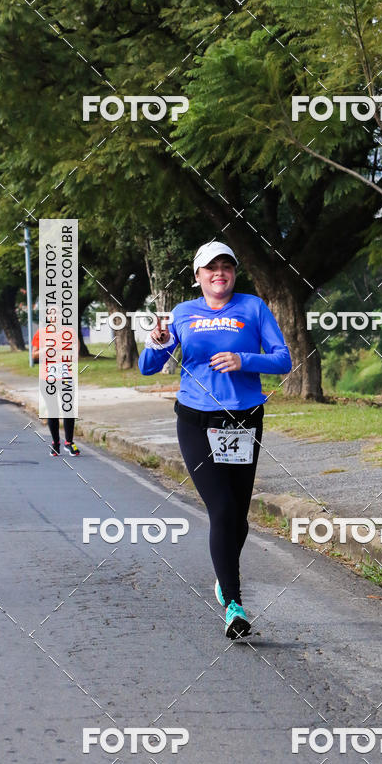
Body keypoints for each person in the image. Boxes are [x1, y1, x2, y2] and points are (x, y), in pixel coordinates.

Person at [138, 241, 292, 639]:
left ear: (234, 273)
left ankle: (223, 579)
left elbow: (283, 359)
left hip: (244, 420)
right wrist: (157, 341)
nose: (219, 273)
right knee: (221, 508)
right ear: (198, 276)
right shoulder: (182, 314)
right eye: (210, 268)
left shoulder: (253, 308)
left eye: (226, 266)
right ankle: (235, 603)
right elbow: (147, 368)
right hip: (196, 420)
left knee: (238, 517)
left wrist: (245, 361)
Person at [32, 327, 81, 457]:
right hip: (47, 377)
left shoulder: (70, 332)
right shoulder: (41, 333)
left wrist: (68, 354)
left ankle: (69, 442)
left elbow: (76, 352)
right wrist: (46, 350)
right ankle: (55, 443)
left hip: (66, 376)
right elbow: (34, 354)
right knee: (52, 410)